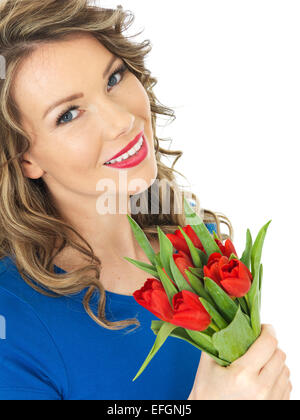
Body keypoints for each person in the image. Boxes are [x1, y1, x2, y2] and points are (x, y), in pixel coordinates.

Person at [0, 0, 291, 400]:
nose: (122, 120)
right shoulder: (13, 324)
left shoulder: (201, 250)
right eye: (68, 114)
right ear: (23, 157)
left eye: (114, 78)